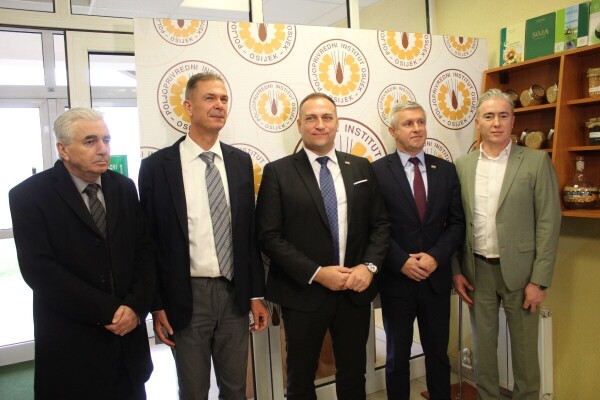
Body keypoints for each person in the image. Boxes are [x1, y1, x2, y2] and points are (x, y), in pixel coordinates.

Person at [138, 71, 269, 399]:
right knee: (193, 390)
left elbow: (248, 236)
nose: (219, 105)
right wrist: (156, 305)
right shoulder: (157, 167)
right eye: (209, 98)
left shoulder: (240, 162)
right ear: (188, 107)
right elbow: (148, 242)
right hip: (185, 298)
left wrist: (255, 294)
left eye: (223, 99)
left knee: (236, 390)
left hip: (234, 295)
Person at [9, 108, 155, 400]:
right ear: (63, 149)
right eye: (90, 141)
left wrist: (135, 308)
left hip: (127, 346)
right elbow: (40, 270)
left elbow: (143, 251)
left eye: (106, 139)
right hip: (72, 346)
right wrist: (109, 311)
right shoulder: (29, 195)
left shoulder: (124, 188)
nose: (103, 149)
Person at [255, 93, 389, 400]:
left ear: (337, 123)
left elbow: (380, 225)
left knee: (353, 375)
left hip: (354, 291)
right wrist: (317, 273)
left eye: (327, 117)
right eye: (311, 118)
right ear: (300, 125)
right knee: (300, 379)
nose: (320, 125)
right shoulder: (278, 172)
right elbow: (268, 236)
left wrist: (368, 267)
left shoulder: (360, 167)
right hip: (303, 294)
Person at [452, 89, 561, 400]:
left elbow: (549, 223)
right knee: (484, 354)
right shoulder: (463, 166)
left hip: (522, 275)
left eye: (503, 115)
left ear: (513, 121)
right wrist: (456, 270)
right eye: (489, 116)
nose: (496, 123)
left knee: (525, 356)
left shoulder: (536, 162)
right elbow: (455, 222)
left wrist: (539, 280)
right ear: (478, 123)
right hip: (477, 273)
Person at [371, 101, 465, 400]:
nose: (416, 128)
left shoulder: (446, 170)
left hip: (435, 279)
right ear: (393, 131)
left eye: (420, 122)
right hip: (397, 279)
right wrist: (401, 261)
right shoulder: (377, 171)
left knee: (438, 353)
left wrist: (436, 257)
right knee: (397, 356)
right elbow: (374, 226)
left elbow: (457, 223)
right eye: (408, 123)